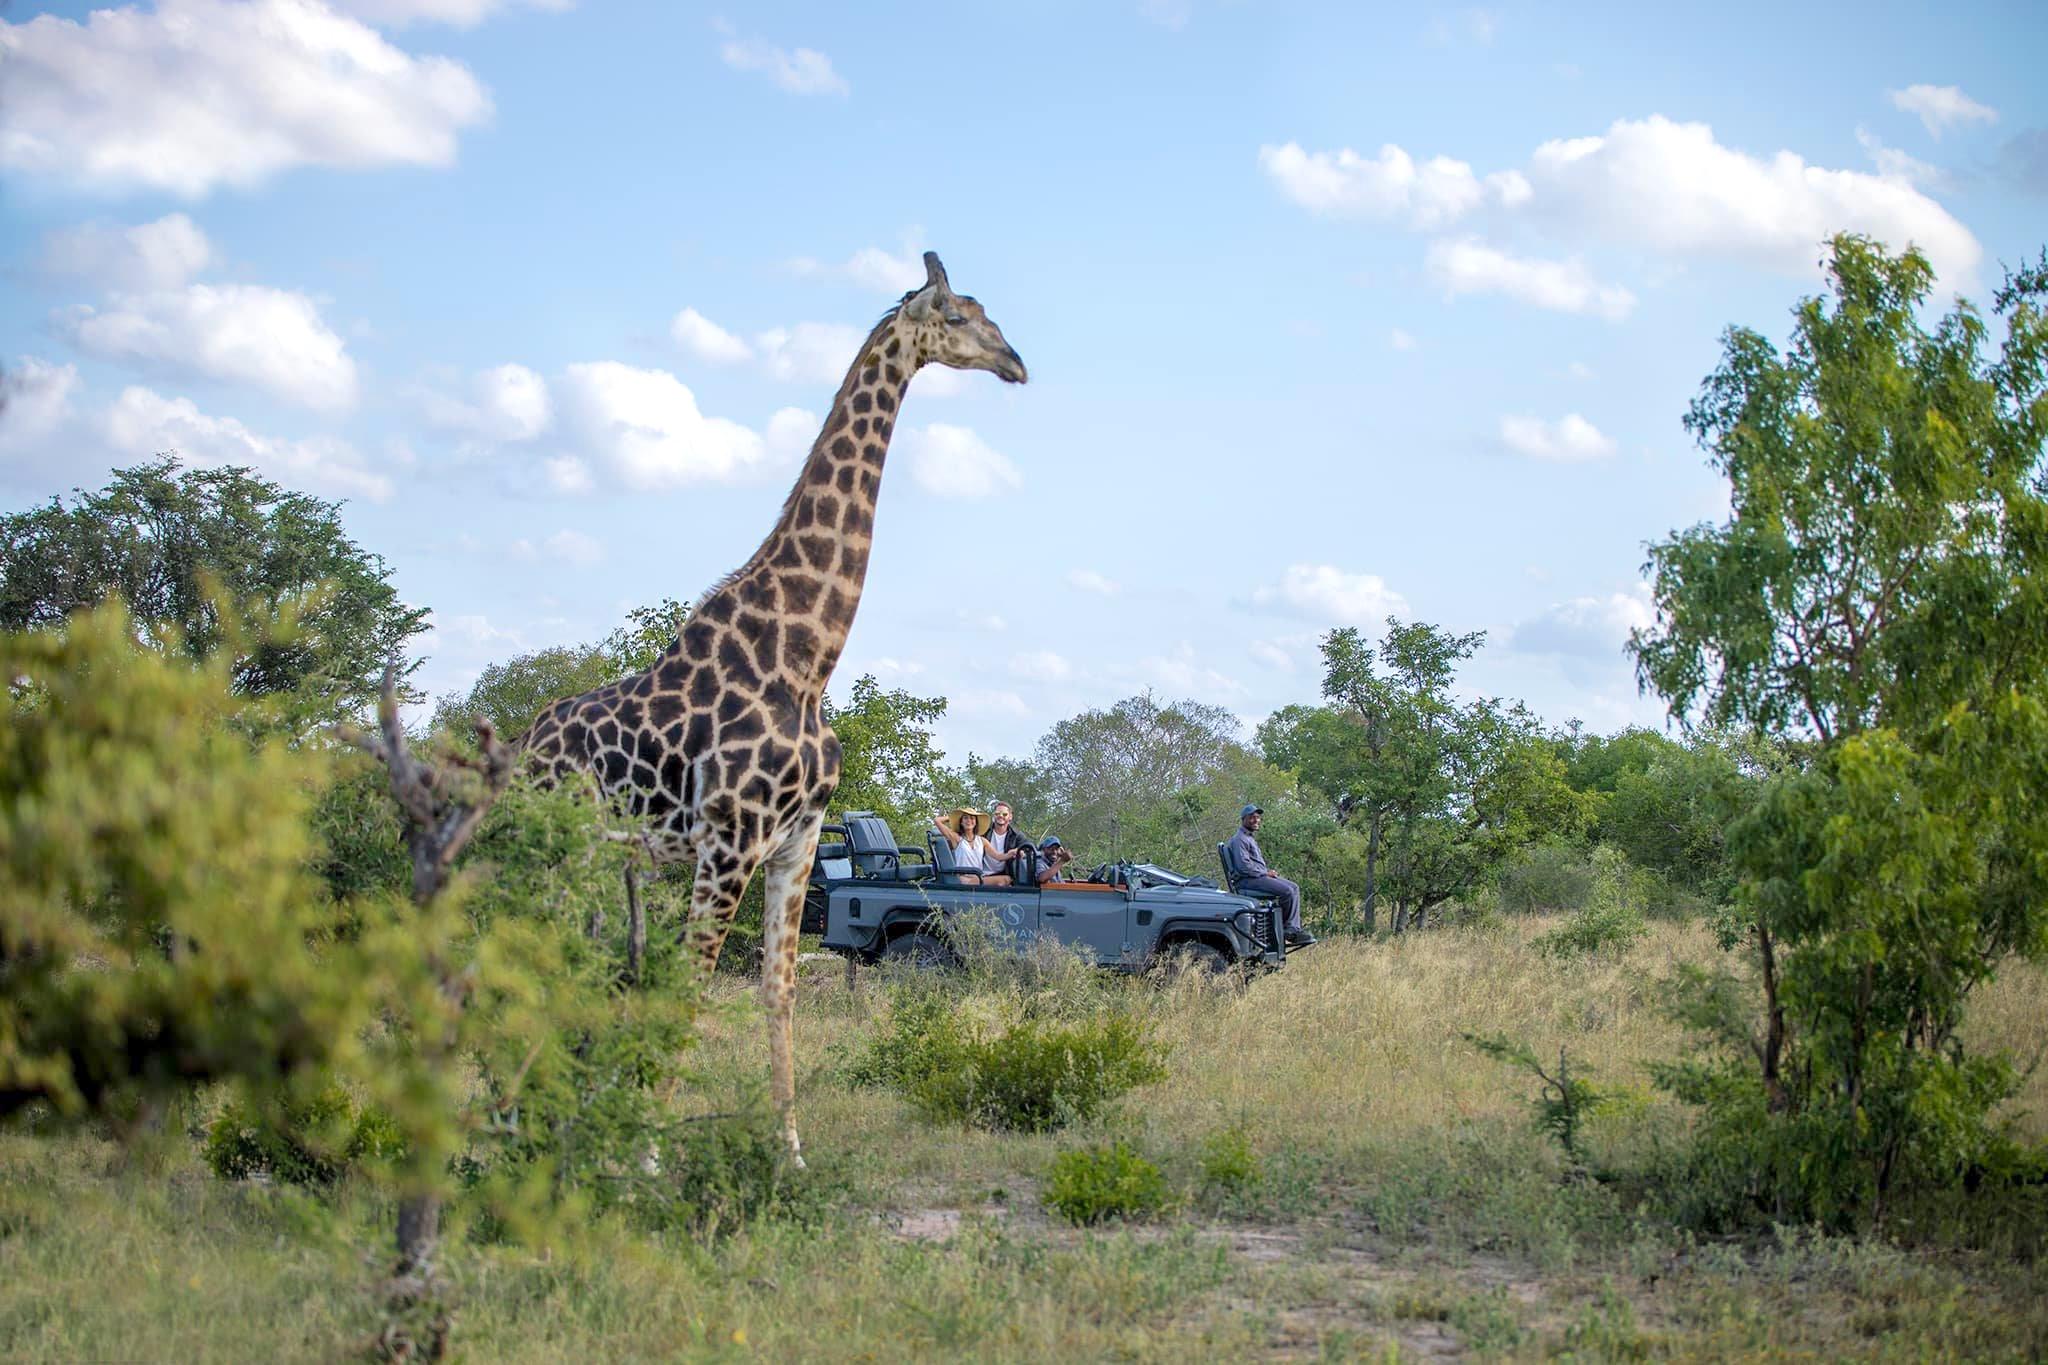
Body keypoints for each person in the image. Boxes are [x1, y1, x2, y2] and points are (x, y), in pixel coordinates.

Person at [1226, 804, 1314, 946]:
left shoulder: (1249, 838)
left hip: (1258, 877)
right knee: (1287, 891)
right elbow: (1244, 867)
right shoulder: (1239, 839)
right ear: (1243, 819)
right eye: (1252, 817)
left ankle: (1293, 928)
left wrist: (1265, 873)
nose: (1256, 820)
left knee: (1294, 887)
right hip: (1248, 880)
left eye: (1257, 817)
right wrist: (1265, 873)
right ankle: (1287, 930)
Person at [931, 805, 1009, 886]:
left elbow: (998, 856)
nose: (969, 821)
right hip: (964, 879)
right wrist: (952, 817)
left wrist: (1013, 853)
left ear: (975, 822)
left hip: (978, 877)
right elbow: (937, 821)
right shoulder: (957, 838)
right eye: (965, 818)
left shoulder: (982, 841)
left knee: (1007, 880)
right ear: (961, 822)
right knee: (1004, 880)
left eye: (972, 818)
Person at [983, 800, 1032, 881]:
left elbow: (1030, 848)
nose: (1000, 816)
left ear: (1010, 816)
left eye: (1004, 814)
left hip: (1006, 876)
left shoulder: (1016, 835)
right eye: (997, 814)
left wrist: (1020, 851)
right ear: (994, 816)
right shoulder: (984, 833)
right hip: (983, 874)